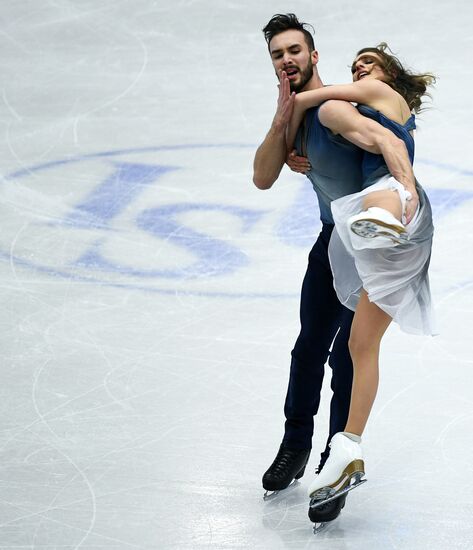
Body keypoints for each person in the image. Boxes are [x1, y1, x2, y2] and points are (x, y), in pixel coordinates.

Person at [253, 14, 417, 524]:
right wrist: (283, 122)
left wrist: (407, 196)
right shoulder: (298, 115)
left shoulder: (337, 107)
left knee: (349, 355)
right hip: (330, 245)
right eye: (278, 54)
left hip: (370, 244)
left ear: (312, 55)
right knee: (308, 348)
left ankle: (333, 462)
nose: (287, 60)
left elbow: (388, 144)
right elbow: (261, 177)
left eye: (295, 51)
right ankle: (295, 444)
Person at [282, 45, 437, 504]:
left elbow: (317, 99)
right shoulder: (369, 115)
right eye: (355, 65)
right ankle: (346, 451)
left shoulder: (378, 92)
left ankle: (385, 226)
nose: (360, 69)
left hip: (395, 203)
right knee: (359, 346)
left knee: (377, 196)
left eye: (369, 61)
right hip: (395, 236)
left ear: (390, 73)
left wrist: (288, 123)